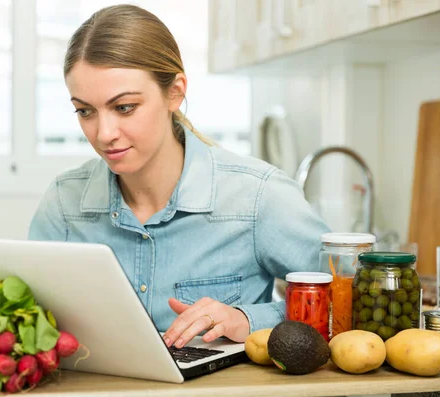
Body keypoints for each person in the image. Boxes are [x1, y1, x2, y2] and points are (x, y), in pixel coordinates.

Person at [28, 4, 330, 349]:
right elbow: (26, 317)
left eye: (124, 107)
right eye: (85, 111)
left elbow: (348, 299)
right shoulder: (63, 203)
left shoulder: (256, 197)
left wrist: (247, 319)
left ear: (175, 92)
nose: (104, 133)